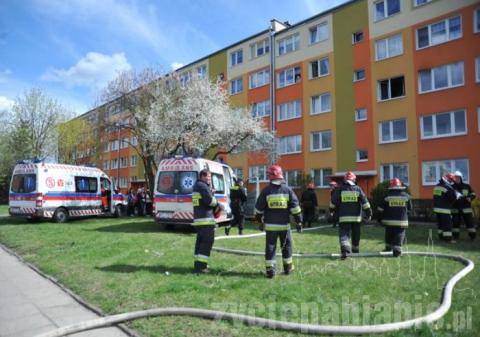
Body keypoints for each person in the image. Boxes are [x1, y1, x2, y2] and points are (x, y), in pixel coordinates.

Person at [254, 165, 303, 278]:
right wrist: (299, 222)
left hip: (270, 227)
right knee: (286, 247)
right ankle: (288, 268)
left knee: (270, 247)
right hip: (284, 226)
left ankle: (270, 270)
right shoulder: (288, 190)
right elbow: (295, 208)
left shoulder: (266, 191)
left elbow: (258, 209)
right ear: (281, 175)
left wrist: (259, 221)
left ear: (270, 176)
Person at [329, 171, 372, 259]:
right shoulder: (358, 189)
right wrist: (368, 212)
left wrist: (332, 210)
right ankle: (355, 250)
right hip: (356, 218)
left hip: (343, 217)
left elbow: (333, 202)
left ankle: (345, 250)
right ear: (354, 179)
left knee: (344, 234)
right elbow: (365, 202)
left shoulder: (340, 189)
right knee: (356, 234)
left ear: (344, 180)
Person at [192, 169, 221, 273]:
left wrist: (210, 191)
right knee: (207, 242)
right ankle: (202, 267)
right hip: (206, 220)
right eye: (208, 177)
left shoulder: (197, 186)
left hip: (199, 220)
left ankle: (197, 265)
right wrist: (218, 203)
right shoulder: (203, 186)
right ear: (202, 176)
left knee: (200, 243)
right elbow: (210, 201)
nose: (209, 179)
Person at [377, 178, 412, 257]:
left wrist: (379, 219)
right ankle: (397, 249)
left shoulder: (386, 196)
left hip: (388, 221)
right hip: (401, 221)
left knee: (389, 233)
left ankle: (388, 248)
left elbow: (380, 209)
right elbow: (410, 209)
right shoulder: (406, 196)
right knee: (399, 233)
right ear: (400, 186)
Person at [433, 172, 459, 242]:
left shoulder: (437, 186)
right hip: (445, 209)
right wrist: (457, 196)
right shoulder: (448, 187)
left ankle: (441, 237)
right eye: (451, 181)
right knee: (447, 225)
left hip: (437, 209)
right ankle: (448, 239)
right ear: (449, 179)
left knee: (440, 224)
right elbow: (453, 198)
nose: (452, 182)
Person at [452, 171, 476, 240]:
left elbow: (473, 194)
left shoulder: (467, 186)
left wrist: (470, 198)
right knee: (455, 224)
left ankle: (472, 236)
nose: (457, 179)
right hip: (455, 209)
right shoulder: (452, 187)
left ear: (461, 178)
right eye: (455, 178)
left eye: (458, 178)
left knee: (469, 223)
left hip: (466, 209)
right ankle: (455, 237)